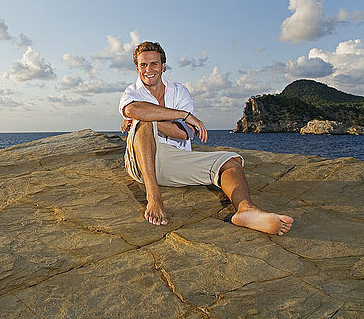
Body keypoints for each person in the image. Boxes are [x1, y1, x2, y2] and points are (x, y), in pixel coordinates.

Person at [119, 41, 293, 235]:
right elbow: (132, 109)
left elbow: (185, 133)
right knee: (143, 122)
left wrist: (153, 116)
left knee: (231, 161)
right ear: (137, 68)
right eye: (143, 65)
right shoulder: (132, 92)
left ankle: (246, 210)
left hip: (173, 160)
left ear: (163, 66)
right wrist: (182, 115)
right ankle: (154, 196)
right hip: (141, 163)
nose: (149, 69)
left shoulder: (179, 91)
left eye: (154, 63)